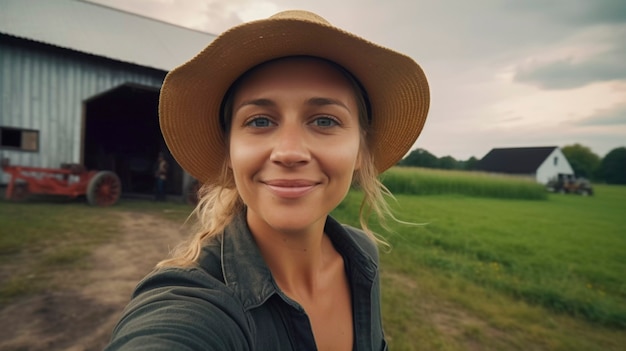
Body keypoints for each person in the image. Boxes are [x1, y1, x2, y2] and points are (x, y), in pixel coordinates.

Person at [106, 10, 429, 351]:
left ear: (362, 149)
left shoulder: (362, 258)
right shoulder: (194, 303)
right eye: (260, 121)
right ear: (229, 150)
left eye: (324, 120)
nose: (289, 153)